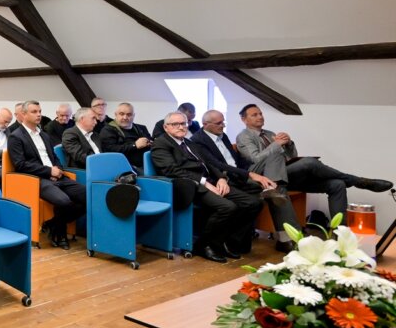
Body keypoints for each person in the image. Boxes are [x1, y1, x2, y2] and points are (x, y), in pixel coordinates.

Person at [235, 104, 392, 225]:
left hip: (285, 176)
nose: (260, 117)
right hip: (263, 178)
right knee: (310, 162)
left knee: (336, 184)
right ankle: (356, 181)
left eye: (261, 113)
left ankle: (340, 231)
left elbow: (291, 157)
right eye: (254, 115)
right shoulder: (244, 136)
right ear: (244, 119)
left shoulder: (269, 134)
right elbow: (256, 159)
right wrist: (276, 145)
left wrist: (288, 144)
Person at [151, 112, 262, 263]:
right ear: (166, 127)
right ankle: (204, 246)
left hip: (210, 182)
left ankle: (228, 241)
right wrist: (205, 182)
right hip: (188, 186)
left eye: (183, 123)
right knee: (227, 207)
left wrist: (222, 178)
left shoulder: (189, 143)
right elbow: (171, 170)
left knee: (253, 203)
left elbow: (209, 163)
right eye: (175, 124)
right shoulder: (161, 144)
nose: (180, 127)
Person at [190, 110, 291, 252]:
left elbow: (235, 160)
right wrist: (250, 174)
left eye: (223, 122)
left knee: (269, 190)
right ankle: (231, 239)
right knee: (254, 201)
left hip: (237, 175)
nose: (223, 126)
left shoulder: (222, 135)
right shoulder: (197, 140)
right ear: (205, 124)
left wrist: (249, 173)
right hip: (222, 178)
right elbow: (216, 165)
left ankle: (238, 238)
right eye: (219, 123)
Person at [8, 101, 86, 249]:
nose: (39, 114)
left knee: (88, 196)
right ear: (24, 114)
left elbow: (54, 156)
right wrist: (48, 171)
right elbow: (20, 164)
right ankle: (60, 234)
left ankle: (52, 224)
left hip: (57, 175)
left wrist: (58, 169)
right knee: (64, 201)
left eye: (39, 111)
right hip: (36, 178)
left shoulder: (44, 134)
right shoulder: (16, 137)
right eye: (34, 111)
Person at [97, 102, 153, 171]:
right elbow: (110, 151)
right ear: (115, 114)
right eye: (121, 114)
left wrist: (150, 142)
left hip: (148, 164)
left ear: (133, 115)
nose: (125, 117)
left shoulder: (142, 128)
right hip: (124, 168)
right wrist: (134, 145)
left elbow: (151, 142)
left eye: (129, 114)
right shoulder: (108, 130)